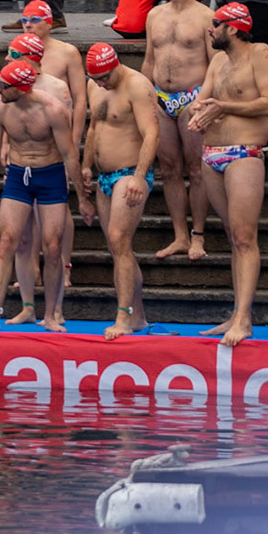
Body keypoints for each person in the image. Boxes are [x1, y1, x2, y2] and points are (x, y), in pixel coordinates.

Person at [186, 1, 268, 346]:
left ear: (233, 28)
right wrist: (198, 111)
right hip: (211, 155)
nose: (209, 29)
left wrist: (223, 107)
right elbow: (203, 99)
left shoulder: (261, 53)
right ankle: (237, 313)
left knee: (244, 237)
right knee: (233, 238)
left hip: (244, 154)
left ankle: (243, 318)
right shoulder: (217, 61)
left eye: (215, 23)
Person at [0, 60, 83, 333]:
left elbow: (70, 154)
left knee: (53, 247)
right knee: (7, 242)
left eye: (3, 85)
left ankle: (50, 315)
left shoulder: (53, 110)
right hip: (18, 176)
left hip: (50, 176)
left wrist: (83, 198)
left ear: (22, 89)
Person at [80, 43, 160, 339]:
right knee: (117, 248)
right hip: (105, 177)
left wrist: (139, 177)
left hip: (129, 173)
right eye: (96, 79)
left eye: (105, 78)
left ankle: (123, 316)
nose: (101, 84)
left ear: (116, 66)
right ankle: (137, 317)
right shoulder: (94, 85)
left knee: (119, 239)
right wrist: (86, 165)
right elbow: (93, 128)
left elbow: (152, 133)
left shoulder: (137, 86)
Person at [144, 0, 217, 260]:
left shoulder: (206, 17)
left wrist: (206, 101)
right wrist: (145, 97)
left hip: (193, 97)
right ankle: (180, 236)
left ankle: (198, 235)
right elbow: (149, 60)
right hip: (161, 98)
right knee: (170, 170)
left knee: (196, 169)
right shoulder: (154, 15)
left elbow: (215, 64)